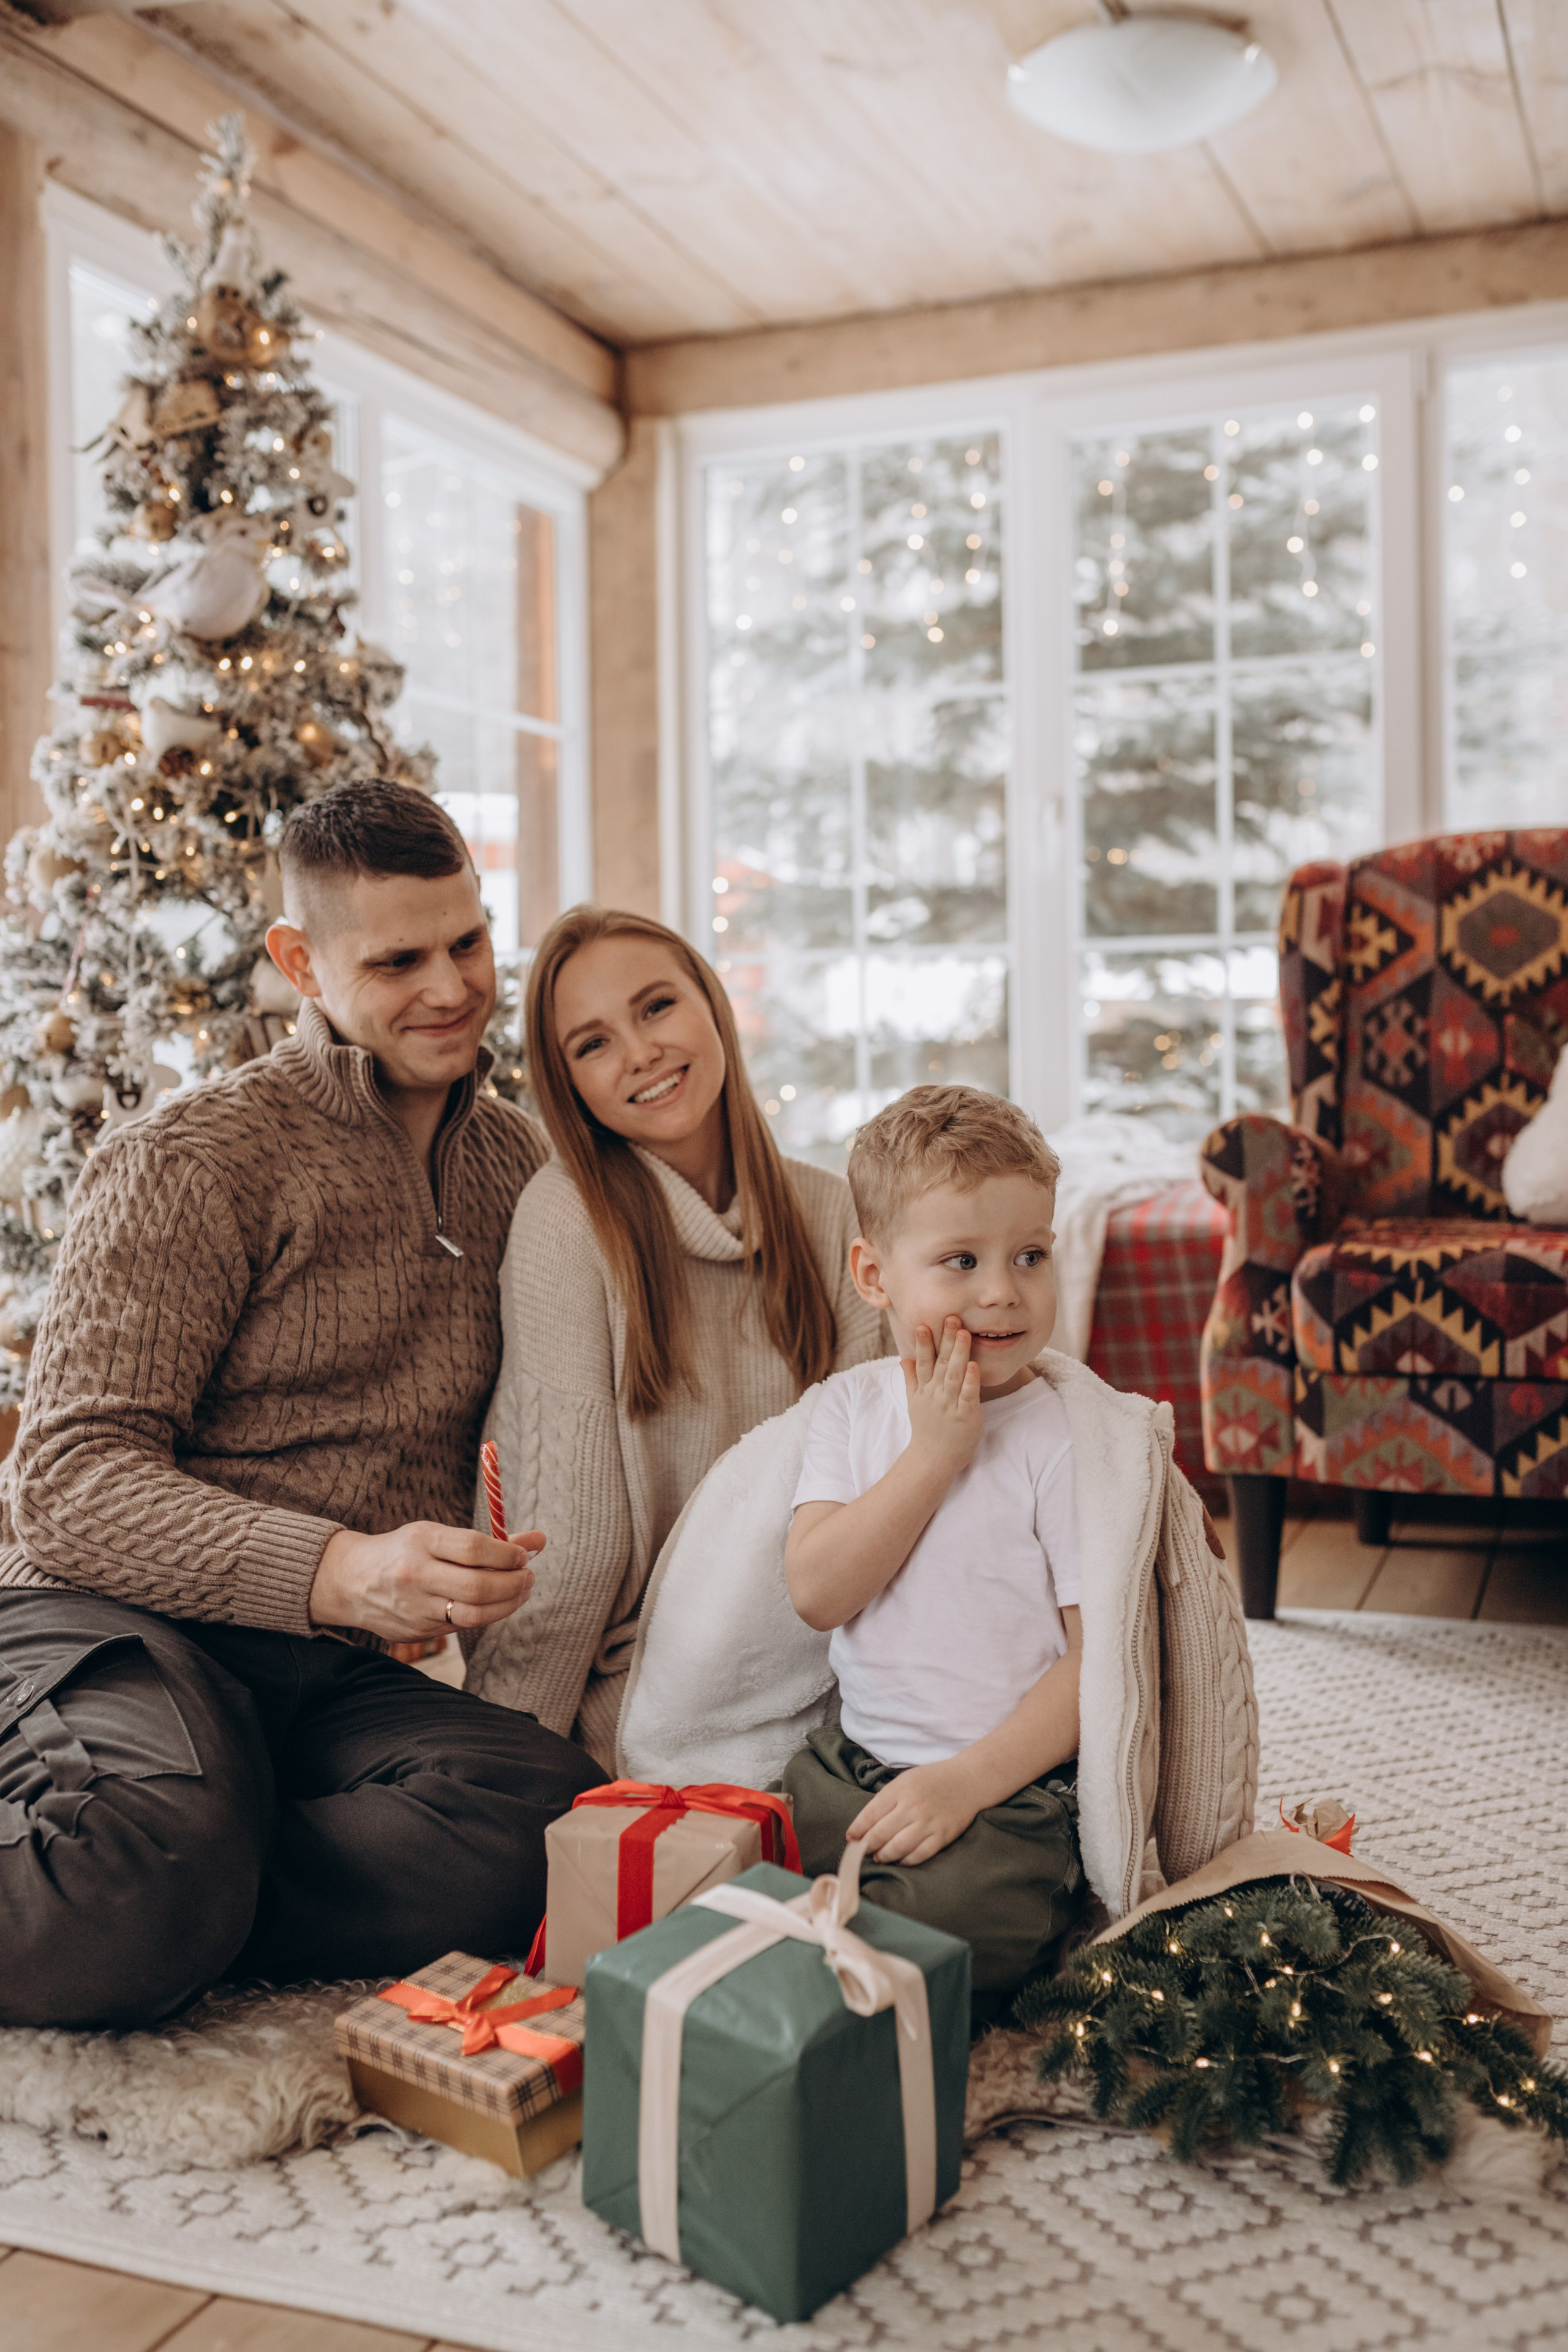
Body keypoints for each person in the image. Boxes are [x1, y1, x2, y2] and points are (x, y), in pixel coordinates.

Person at [0, 780, 604, 2032]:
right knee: (146, 1865)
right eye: (397, 962)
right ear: (299, 962)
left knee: (553, 1817)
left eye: (468, 943)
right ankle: (146, 1862)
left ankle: (161, 1867)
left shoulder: (525, 1169)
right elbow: (64, 1483)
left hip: (324, 1673)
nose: (452, 988)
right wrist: (339, 1570)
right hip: (115, 1617)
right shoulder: (187, 1158)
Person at [465, 907, 886, 1763]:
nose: (641, 1052)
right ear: (568, 1084)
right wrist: (502, 1755)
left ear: (712, 1004)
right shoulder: (566, 1221)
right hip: (649, 1687)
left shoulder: (834, 1210)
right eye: (593, 1044)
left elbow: (877, 1487)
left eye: (656, 1007)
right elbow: (571, 1545)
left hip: (831, 1661)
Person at [780, 1084, 1087, 2016]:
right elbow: (818, 1593)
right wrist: (933, 1456)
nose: (1003, 1291)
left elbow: (1100, 1662)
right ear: (874, 1275)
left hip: (1009, 1789)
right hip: (856, 1765)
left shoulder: (1064, 1436)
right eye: (962, 1260)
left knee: (934, 1933)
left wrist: (964, 1784)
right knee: (745, 1868)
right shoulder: (851, 1408)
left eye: (1030, 1255)